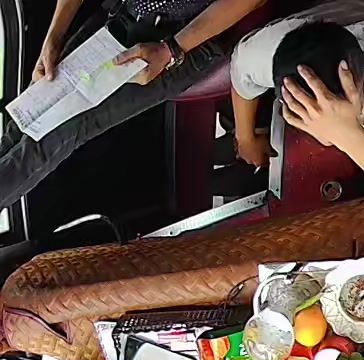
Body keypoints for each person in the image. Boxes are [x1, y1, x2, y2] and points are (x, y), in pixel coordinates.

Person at [0, 0, 266, 208]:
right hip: (123, 16)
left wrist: (170, 50)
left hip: (186, 34)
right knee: (23, 119)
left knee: (53, 136)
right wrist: (53, 39)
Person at [228, 0, 364, 204]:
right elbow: (240, 73)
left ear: (358, 80)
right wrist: (245, 138)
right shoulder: (264, 50)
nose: (321, 136)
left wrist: (345, 135)